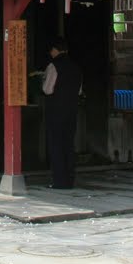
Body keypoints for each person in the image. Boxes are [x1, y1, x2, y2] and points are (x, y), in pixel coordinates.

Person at [42, 38, 82, 189]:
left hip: (56, 110)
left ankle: (59, 181)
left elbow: (47, 89)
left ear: (55, 50)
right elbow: (78, 91)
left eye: (51, 50)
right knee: (69, 145)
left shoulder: (53, 66)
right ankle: (70, 179)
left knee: (56, 145)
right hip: (71, 110)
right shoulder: (76, 67)